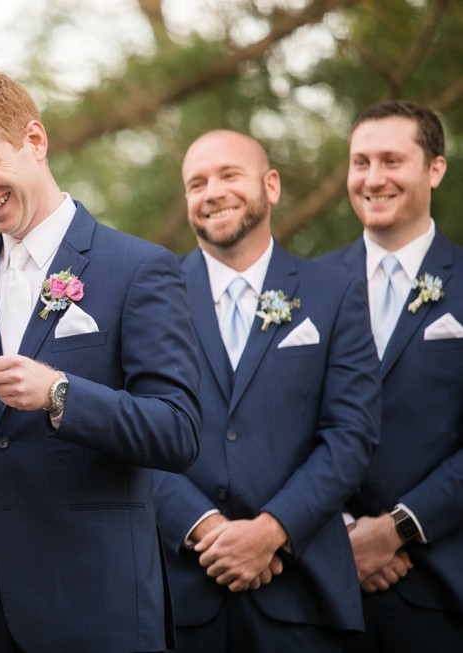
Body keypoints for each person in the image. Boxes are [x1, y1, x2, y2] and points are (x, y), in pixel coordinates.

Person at [0, 69, 202, 653]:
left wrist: (60, 393)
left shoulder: (139, 268)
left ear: (36, 140)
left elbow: (176, 431)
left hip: (92, 605)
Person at [152, 129, 382, 652]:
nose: (212, 191)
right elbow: (136, 433)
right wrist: (205, 528)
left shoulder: (334, 293)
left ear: (271, 185)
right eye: (196, 183)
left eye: (229, 175)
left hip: (302, 593)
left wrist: (271, 530)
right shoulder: (152, 296)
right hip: (181, 596)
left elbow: (352, 435)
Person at [318, 100, 463, 652]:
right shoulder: (306, 287)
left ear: (435, 168)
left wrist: (397, 528)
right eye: (360, 162)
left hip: (440, 583)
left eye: (391, 161)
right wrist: (344, 531)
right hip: (323, 586)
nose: (373, 179)